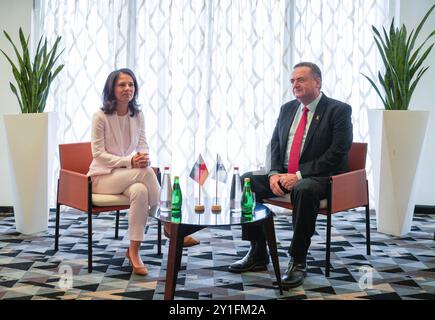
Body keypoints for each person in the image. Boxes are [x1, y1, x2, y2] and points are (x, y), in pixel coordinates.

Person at [228, 62, 353, 289]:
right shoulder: (287, 108)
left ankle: (298, 260)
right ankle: (257, 251)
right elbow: (274, 143)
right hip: (284, 173)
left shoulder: (339, 110)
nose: (295, 85)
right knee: (245, 180)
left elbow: (338, 152)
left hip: (319, 176)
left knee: (303, 189)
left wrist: (299, 174)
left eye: (301, 80)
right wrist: (274, 173)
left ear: (317, 81)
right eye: (292, 81)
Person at [88, 69, 197, 276]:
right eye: (122, 85)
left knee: (140, 191)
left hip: (127, 177)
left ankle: (134, 251)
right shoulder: (100, 116)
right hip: (102, 177)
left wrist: (143, 157)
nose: (128, 88)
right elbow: (98, 154)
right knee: (146, 173)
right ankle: (170, 226)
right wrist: (131, 161)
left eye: (131, 84)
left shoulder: (137, 115)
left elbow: (143, 144)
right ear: (112, 88)